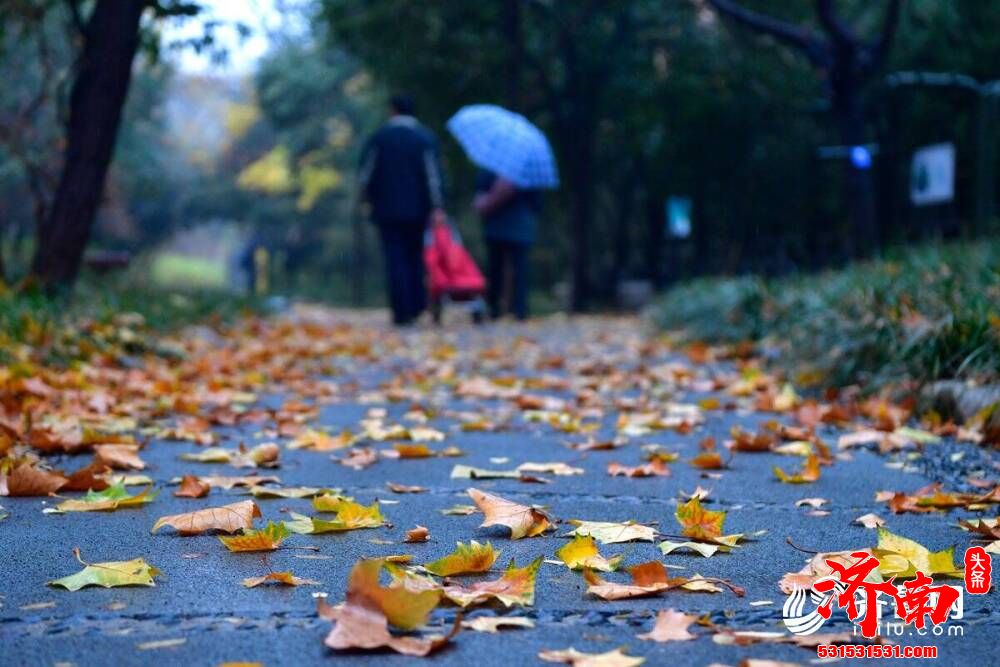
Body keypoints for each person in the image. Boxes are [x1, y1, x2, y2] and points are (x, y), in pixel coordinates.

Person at [358, 94, 446, 326]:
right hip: (418, 211)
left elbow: (366, 175)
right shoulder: (425, 139)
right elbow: (433, 177)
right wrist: (437, 207)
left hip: (386, 211)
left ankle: (400, 311)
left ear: (392, 110)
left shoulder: (379, 138)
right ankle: (416, 306)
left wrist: (367, 201)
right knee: (416, 257)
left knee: (394, 258)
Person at [473, 169, 540, 320]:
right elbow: (536, 202)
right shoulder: (529, 171)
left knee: (496, 268)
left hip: (497, 225)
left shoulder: (491, 167)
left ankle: (494, 308)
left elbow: (480, 191)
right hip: (520, 225)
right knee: (519, 269)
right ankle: (519, 310)